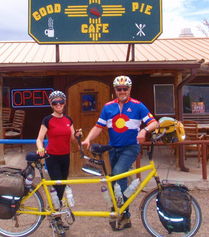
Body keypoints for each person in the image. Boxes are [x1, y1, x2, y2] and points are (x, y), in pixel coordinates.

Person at [82, 75, 158, 231]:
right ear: (115, 90)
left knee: (118, 175)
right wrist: (88, 139)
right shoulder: (108, 107)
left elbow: (154, 122)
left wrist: (144, 130)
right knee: (115, 180)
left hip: (130, 147)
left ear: (130, 89)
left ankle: (123, 215)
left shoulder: (138, 105)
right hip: (113, 148)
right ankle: (121, 213)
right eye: (119, 89)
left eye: (125, 89)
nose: (122, 91)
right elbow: (98, 126)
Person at [36, 90, 80, 209]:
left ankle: (55, 209)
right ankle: (55, 213)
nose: (58, 104)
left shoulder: (68, 120)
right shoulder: (47, 120)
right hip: (52, 157)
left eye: (61, 102)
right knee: (57, 185)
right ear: (51, 104)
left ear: (64, 103)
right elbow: (39, 139)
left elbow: (73, 140)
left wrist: (76, 136)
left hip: (65, 156)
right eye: (55, 103)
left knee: (63, 185)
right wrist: (40, 149)